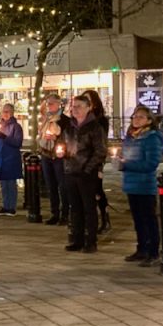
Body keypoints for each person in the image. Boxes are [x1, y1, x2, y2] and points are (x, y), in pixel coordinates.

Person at [61, 94, 107, 253]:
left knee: (89, 207)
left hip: (87, 173)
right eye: (74, 106)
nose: (76, 110)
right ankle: (77, 239)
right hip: (71, 171)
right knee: (75, 208)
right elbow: (63, 145)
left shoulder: (95, 127)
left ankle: (91, 240)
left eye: (80, 106)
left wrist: (88, 169)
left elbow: (100, 151)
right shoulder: (69, 127)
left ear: (88, 108)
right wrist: (62, 154)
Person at [119, 105, 163, 267]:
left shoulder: (152, 138)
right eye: (134, 117)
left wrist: (127, 165)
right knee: (137, 219)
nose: (136, 120)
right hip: (131, 184)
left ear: (149, 120)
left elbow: (151, 164)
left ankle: (153, 252)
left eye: (140, 117)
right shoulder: (130, 137)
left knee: (149, 219)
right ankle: (141, 248)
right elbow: (125, 156)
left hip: (145, 185)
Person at [37, 94, 71, 226]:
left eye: (51, 103)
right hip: (46, 154)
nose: (49, 106)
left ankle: (65, 214)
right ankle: (54, 213)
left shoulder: (64, 120)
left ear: (58, 104)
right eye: (47, 103)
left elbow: (68, 137)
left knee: (62, 185)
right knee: (51, 186)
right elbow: (41, 133)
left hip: (58, 156)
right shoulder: (46, 119)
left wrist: (56, 139)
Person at [82, 89, 112, 233]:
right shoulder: (81, 119)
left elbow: (101, 143)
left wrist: (99, 163)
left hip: (95, 159)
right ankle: (89, 219)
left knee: (97, 189)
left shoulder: (100, 120)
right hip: (82, 160)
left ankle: (104, 218)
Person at [0, 103, 23, 217]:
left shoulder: (16, 127)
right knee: (3, 184)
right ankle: (5, 205)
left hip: (11, 158)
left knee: (11, 183)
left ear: (12, 113)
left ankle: (11, 207)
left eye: (8, 112)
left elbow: (18, 143)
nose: (5, 114)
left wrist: (5, 137)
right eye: (4, 111)